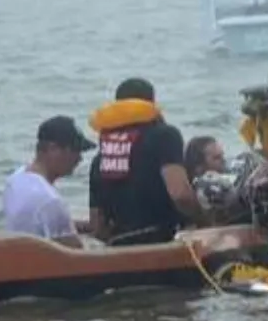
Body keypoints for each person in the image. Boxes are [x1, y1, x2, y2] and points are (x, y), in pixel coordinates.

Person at [87, 78, 202, 245]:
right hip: (162, 244)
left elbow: (97, 224)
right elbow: (181, 195)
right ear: (151, 104)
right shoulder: (164, 136)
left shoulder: (102, 157)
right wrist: (203, 219)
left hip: (119, 248)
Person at [1, 115, 96, 249]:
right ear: (53, 149)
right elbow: (77, 255)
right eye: (75, 150)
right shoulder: (50, 201)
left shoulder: (15, 180)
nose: (79, 158)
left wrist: (86, 227)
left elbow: (39, 223)